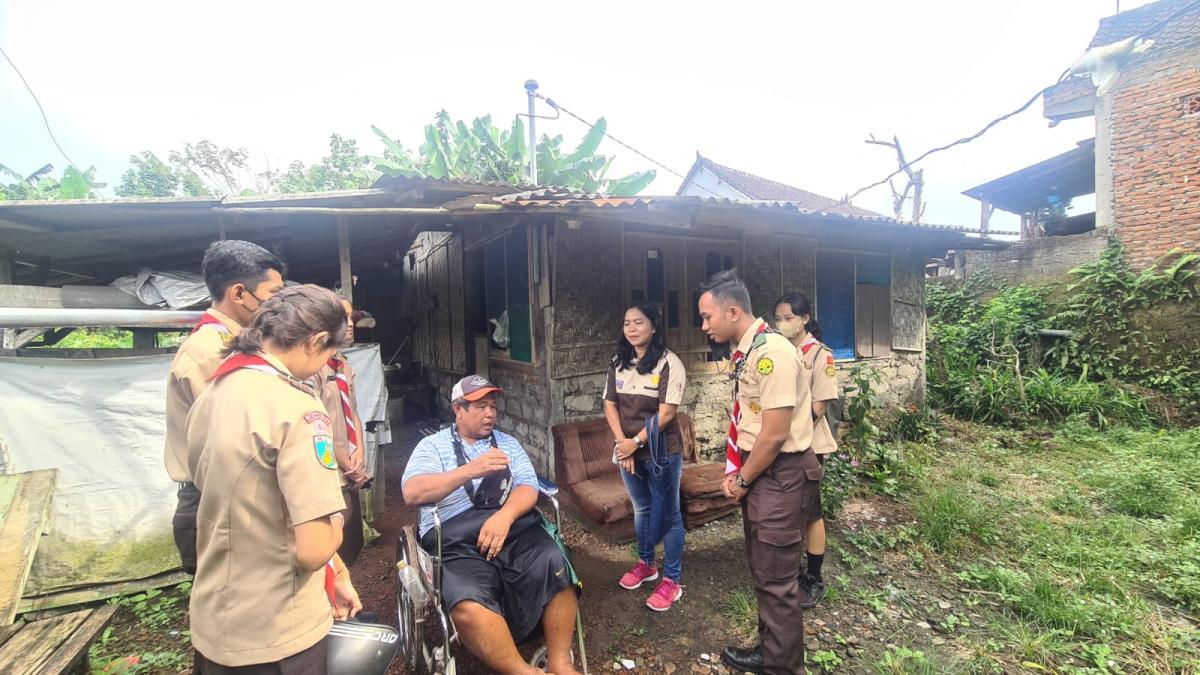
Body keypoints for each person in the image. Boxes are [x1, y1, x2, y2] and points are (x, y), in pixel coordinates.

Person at [186, 284, 362, 673]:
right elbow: (313, 549)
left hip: (215, 617)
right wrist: (337, 519)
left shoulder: (214, 392)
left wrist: (338, 571)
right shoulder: (297, 410)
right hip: (277, 631)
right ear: (316, 341)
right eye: (330, 351)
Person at [401, 375, 581, 675]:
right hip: (455, 541)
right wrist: (471, 470)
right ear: (458, 409)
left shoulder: (508, 444)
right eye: (480, 406)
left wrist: (504, 516)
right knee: (467, 603)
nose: (490, 413)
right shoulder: (432, 446)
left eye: (492, 406)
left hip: (511, 528)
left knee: (556, 564)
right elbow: (413, 492)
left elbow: (527, 486)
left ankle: (560, 662)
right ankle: (523, 672)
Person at [697, 270, 819, 675]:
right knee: (765, 571)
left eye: (707, 316)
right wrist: (742, 472)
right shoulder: (751, 350)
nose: (704, 326)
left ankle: (783, 667)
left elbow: (774, 434)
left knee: (777, 580)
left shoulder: (772, 354)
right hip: (764, 470)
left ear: (732, 312)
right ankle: (772, 653)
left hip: (779, 473)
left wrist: (743, 479)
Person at [164, 240, 285, 575]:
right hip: (218, 501)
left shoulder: (238, 343)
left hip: (235, 494)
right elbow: (236, 440)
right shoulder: (210, 352)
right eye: (273, 295)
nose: (278, 306)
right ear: (239, 294)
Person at [602, 304, 688, 611]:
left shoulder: (669, 363)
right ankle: (647, 563)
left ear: (653, 327)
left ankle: (672, 581)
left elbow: (667, 414)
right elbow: (610, 404)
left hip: (660, 453)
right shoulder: (618, 362)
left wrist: (635, 443)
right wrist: (622, 444)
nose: (632, 328)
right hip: (629, 450)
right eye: (627, 323)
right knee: (642, 509)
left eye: (639, 322)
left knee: (670, 515)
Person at [774, 293, 838, 608]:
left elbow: (820, 406)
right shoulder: (780, 352)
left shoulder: (820, 355)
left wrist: (783, 433)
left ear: (805, 319)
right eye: (778, 319)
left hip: (809, 445)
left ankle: (813, 577)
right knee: (789, 511)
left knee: (812, 512)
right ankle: (791, 570)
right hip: (781, 445)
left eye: (788, 318)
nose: (782, 324)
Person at [315, 298, 368, 565]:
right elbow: (317, 426)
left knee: (351, 541)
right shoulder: (313, 369)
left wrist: (359, 452)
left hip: (349, 466)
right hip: (330, 468)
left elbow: (353, 411)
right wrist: (347, 464)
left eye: (351, 317)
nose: (349, 324)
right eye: (342, 317)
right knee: (331, 544)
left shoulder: (342, 364)